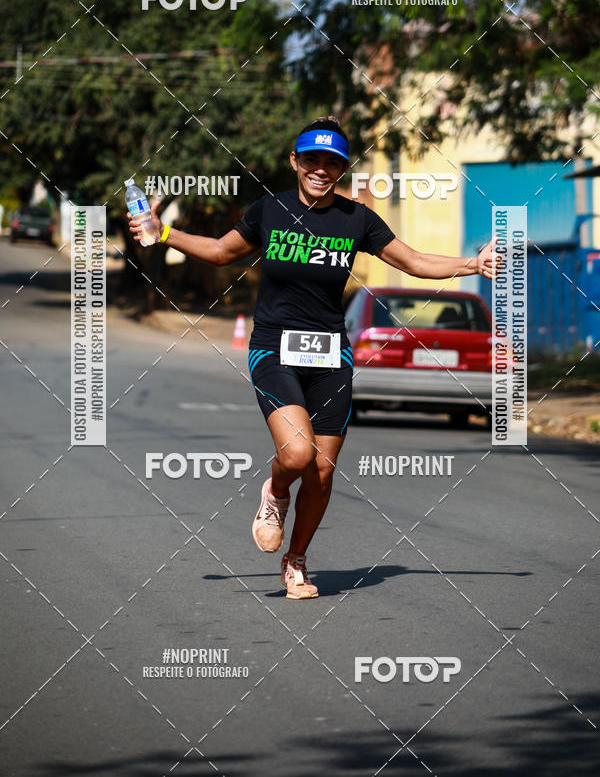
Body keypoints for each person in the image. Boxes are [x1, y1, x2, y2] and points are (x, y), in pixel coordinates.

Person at [128, 116, 500, 600]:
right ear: (295, 162)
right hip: (273, 347)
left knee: (322, 470)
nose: (321, 169)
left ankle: (296, 563)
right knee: (298, 454)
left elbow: (413, 262)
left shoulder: (356, 219)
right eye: (312, 160)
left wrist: (472, 263)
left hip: (330, 353)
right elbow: (222, 251)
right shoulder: (270, 210)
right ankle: (275, 492)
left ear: (342, 169)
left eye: (332, 162)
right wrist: (163, 233)